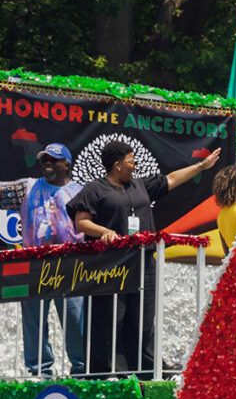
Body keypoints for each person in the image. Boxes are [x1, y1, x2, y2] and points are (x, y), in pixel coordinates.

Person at [68, 138, 221, 376]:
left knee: (143, 318)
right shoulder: (95, 189)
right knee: (111, 319)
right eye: (131, 161)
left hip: (143, 262)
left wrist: (201, 167)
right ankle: (109, 371)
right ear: (117, 165)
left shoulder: (140, 186)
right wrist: (105, 232)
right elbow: (82, 222)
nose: (135, 166)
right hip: (112, 265)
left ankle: (145, 369)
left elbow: (171, 179)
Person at [0, 143, 85, 375]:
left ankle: (81, 370)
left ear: (66, 164)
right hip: (34, 266)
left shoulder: (82, 192)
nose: (47, 163)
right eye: (44, 159)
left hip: (70, 265)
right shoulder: (27, 188)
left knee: (76, 320)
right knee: (33, 321)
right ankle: (39, 372)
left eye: (53, 159)